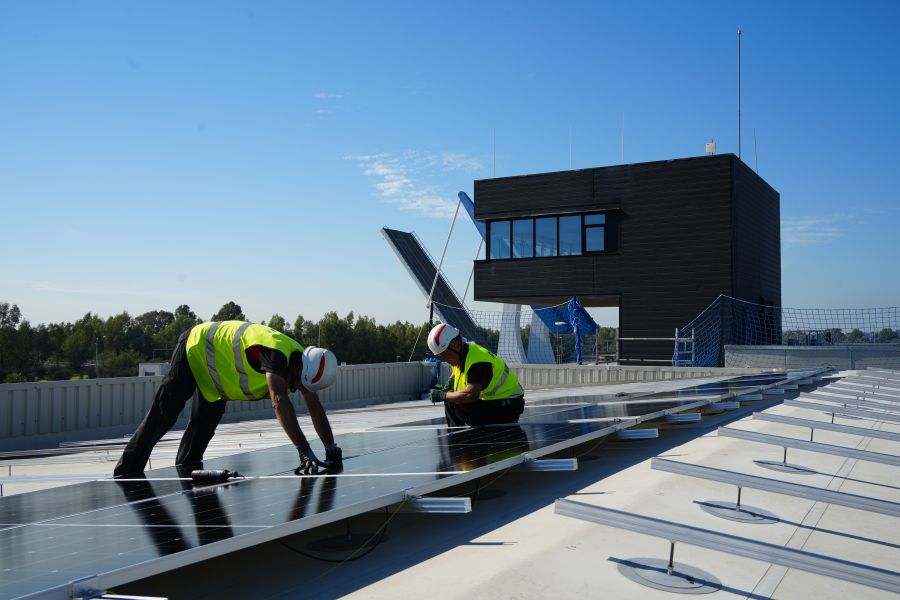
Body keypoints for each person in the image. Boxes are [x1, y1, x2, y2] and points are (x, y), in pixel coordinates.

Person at [114, 320, 342, 477]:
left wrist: (330, 447)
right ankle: (126, 474)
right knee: (163, 416)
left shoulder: (303, 365)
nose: (300, 389)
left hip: (216, 378)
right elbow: (279, 402)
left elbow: (314, 406)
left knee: (202, 430)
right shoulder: (276, 354)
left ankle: (185, 472)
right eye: (299, 384)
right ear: (298, 368)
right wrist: (303, 449)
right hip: (195, 349)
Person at [426, 322, 525, 426]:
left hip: (509, 406)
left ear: (456, 344)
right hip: (495, 403)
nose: (444, 359)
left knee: (457, 402)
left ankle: (466, 436)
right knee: (451, 399)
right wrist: (449, 384)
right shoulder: (459, 355)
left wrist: (443, 395)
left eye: (444, 355)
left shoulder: (479, 362)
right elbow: (457, 373)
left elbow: (470, 395)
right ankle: (455, 435)